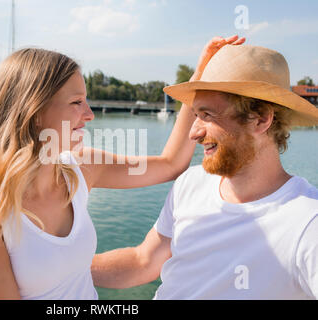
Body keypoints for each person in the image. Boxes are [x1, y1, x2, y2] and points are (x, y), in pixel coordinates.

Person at [0, 36, 244, 300]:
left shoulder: (80, 167)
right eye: (77, 102)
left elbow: (170, 164)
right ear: (34, 111)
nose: (90, 114)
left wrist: (195, 83)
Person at [91, 44, 318, 299]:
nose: (194, 132)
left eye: (207, 115)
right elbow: (143, 261)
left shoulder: (308, 221)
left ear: (261, 118)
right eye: (195, 114)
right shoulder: (191, 183)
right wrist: (53, 264)